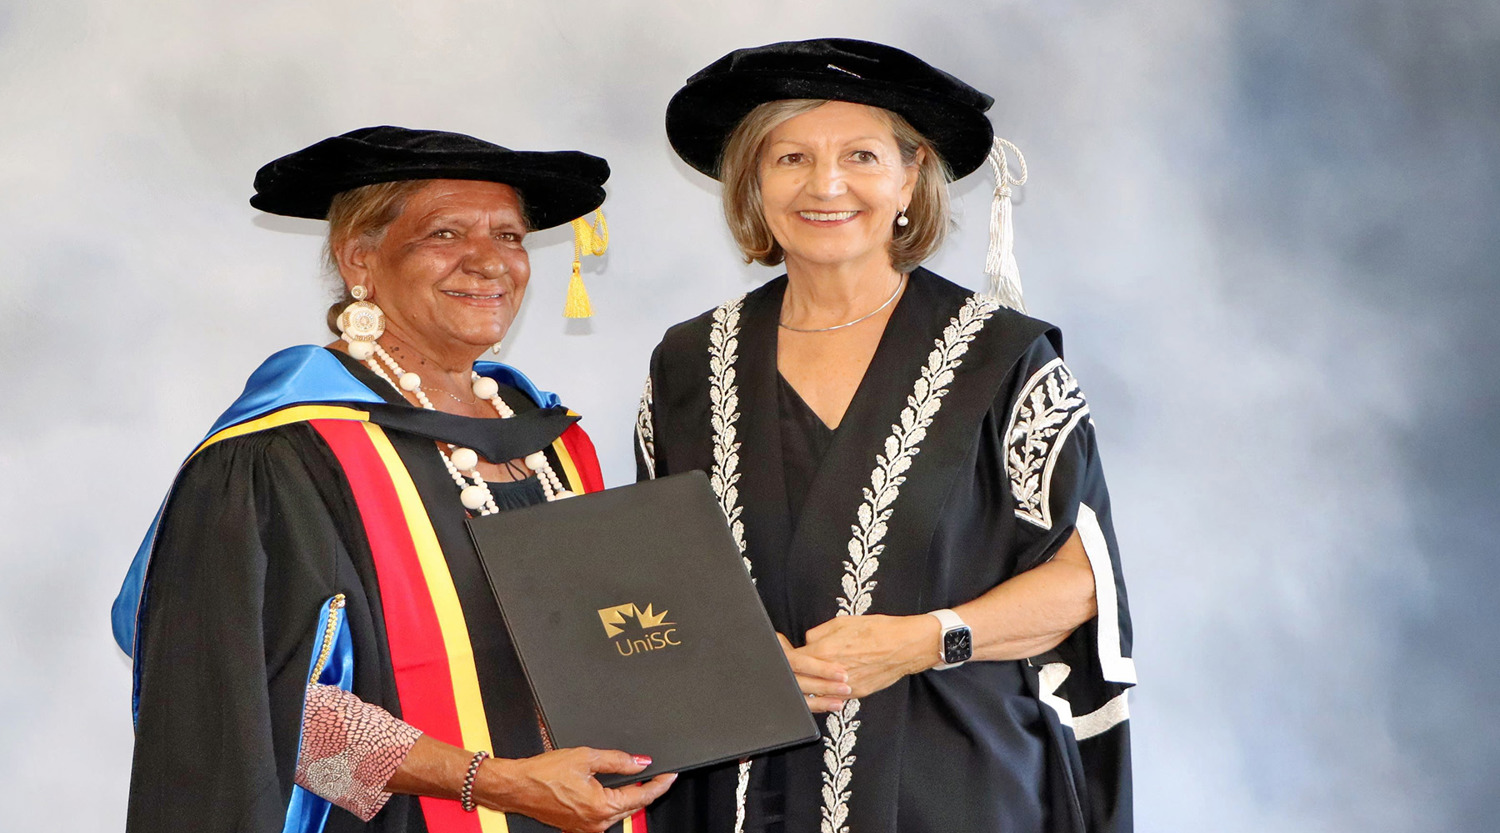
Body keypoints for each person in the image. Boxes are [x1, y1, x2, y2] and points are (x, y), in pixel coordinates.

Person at [112, 126, 674, 833]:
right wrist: (492, 783)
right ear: (360, 260)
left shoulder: (553, 441)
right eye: (445, 234)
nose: (487, 261)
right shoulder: (284, 454)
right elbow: (254, 705)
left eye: (509, 236)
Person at [636, 40, 1135, 832]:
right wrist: (733, 656)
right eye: (791, 157)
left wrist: (924, 639)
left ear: (910, 177)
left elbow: (1081, 584)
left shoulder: (1002, 358)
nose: (825, 184)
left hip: (954, 780)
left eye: (861, 155)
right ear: (754, 187)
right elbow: (657, 576)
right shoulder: (689, 364)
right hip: (741, 788)